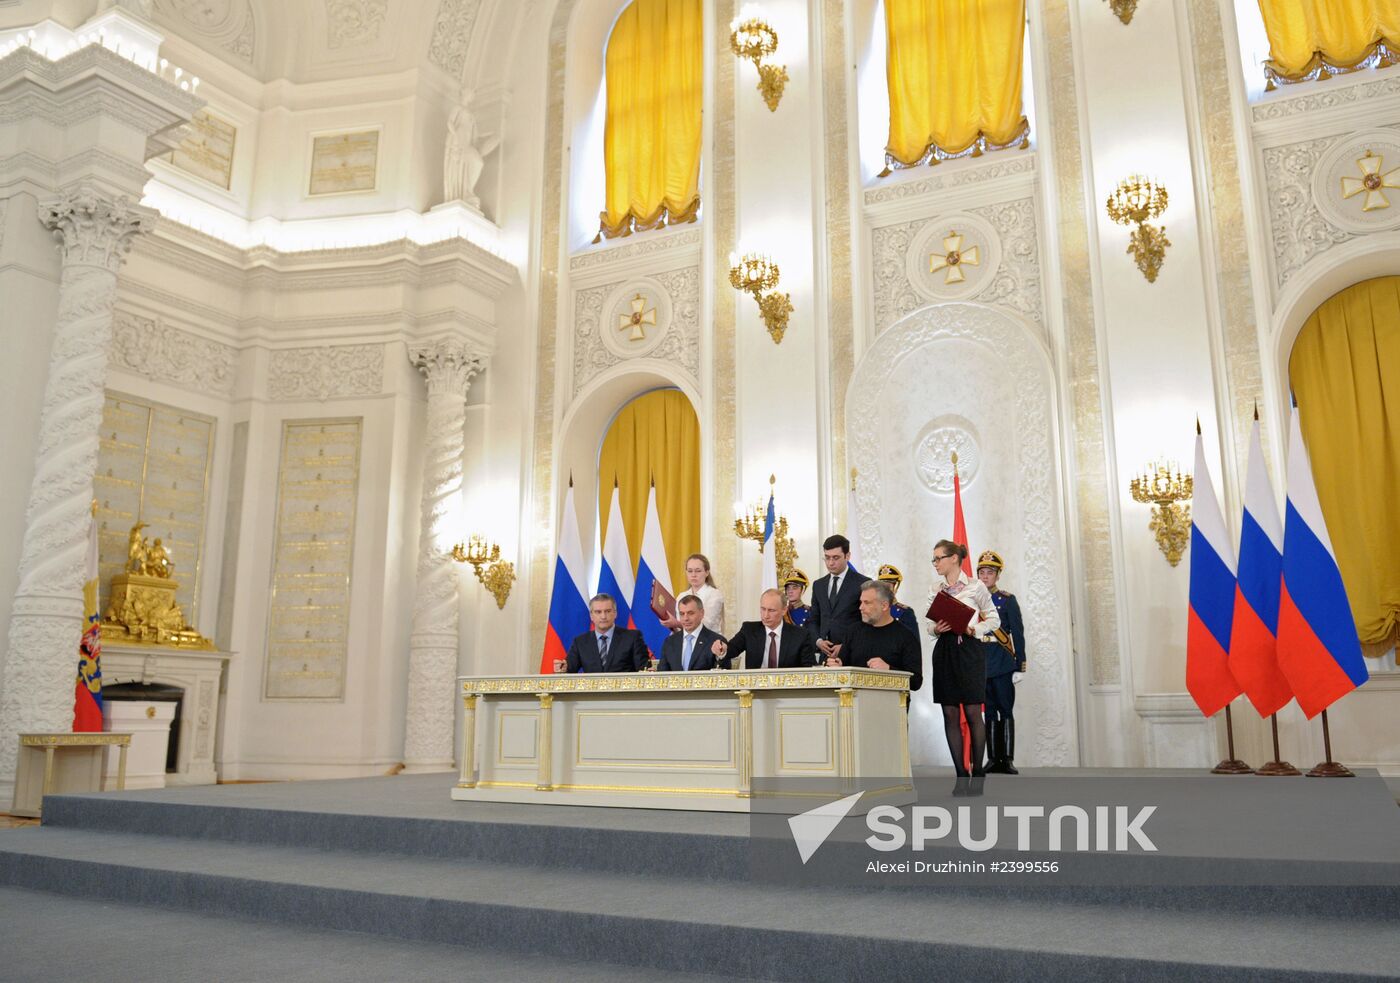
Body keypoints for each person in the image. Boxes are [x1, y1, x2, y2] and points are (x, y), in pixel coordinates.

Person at [926, 540, 1000, 782]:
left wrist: (974, 629)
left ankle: (977, 772)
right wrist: (936, 628)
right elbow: (928, 625)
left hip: (969, 649)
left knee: (971, 711)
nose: (935, 563)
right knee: (949, 712)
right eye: (934, 559)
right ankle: (960, 773)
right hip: (945, 649)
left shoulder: (976, 586)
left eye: (939, 558)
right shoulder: (935, 588)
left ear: (954, 559)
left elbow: (994, 620)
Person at [977, 550, 1026, 775]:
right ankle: (992, 758)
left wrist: (1020, 664)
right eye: (982, 572)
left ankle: (1006, 759)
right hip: (982, 662)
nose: (985, 576)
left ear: (997, 576)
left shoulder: (1006, 600)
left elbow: (1017, 632)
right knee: (989, 712)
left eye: (990, 572)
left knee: (1005, 710)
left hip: (1003, 661)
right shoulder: (973, 601)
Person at [822, 581, 922, 691]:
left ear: (884, 606)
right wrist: (837, 666)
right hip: (854, 701)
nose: (860, 607)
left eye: (867, 603)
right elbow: (843, 664)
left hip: (891, 702)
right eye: (861, 602)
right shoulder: (853, 631)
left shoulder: (906, 636)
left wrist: (889, 670)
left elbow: (916, 682)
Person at [715, 589, 817, 670]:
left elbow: (810, 668)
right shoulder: (749, 630)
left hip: (787, 691)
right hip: (756, 691)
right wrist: (722, 649)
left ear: (784, 610)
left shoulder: (800, 635)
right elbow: (731, 649)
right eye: (763, 609)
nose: (765, 615)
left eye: (771, 610)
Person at [810, 535, 866, 663]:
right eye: (827, 558)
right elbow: (813, 619)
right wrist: (818, 641)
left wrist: (845, 646)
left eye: (836, 558)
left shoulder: (863, 583)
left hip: (853, 656)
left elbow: (866, 624)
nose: (830, 563)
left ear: (847, 556)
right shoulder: (818, 585)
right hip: (825, 657)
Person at [566, 594, 650, 673]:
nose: (603, 616)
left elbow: (644, 670)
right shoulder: (580, 642)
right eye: (598, 612)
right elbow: (568, 669)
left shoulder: (632, 638)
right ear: (591, 616)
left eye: (608, 611)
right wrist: (563, 668)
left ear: (615, 613)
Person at [657, 594, 726, 672]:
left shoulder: (716, 641)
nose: (685, 618)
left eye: (690, 613)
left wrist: (721, 656)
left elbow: (723, 675)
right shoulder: (670, 642)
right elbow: (662, 675)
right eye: (682, 614)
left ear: (702, 613)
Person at [671, 553, 725, 636]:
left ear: (707, 572)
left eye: (698, 571)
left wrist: (677, 624)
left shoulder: (714, 595)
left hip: (709, 644)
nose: (693, 575)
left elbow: (706, 626)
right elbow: (678, 628)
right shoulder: (681, 596)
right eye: (690, 571)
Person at [876, 564, 919, 636]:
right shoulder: (873, 610)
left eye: (888, 586)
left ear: (895, 588)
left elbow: (914, 644)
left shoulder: (905, 613)